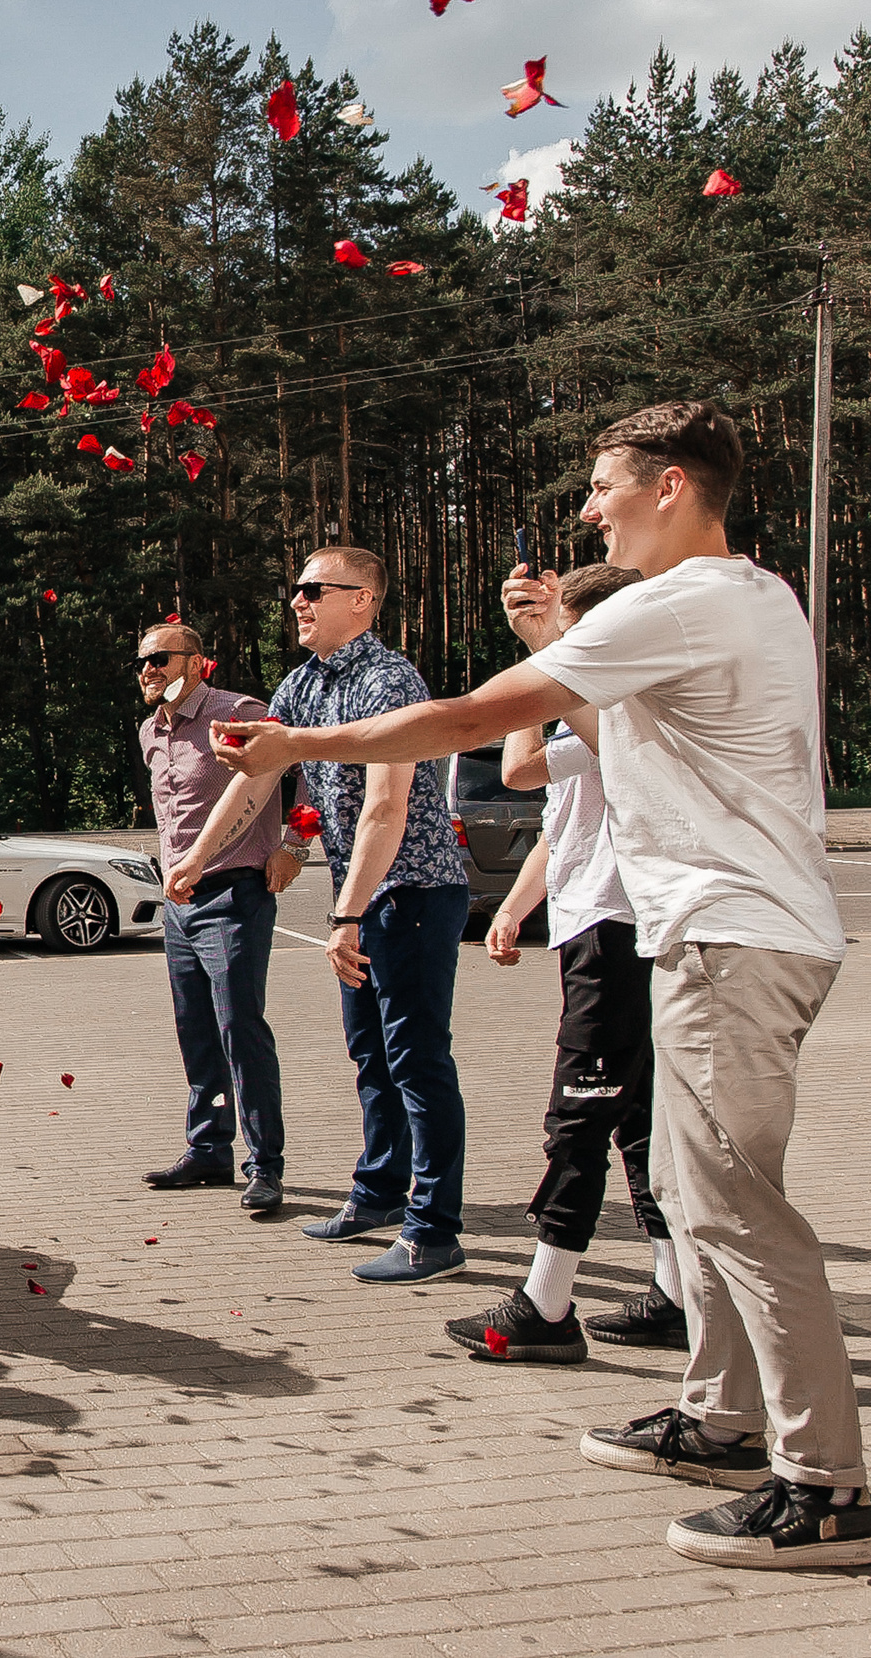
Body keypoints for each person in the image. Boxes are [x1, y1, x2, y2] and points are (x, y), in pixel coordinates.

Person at [215, 401, 865, 1570]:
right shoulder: (751, 591)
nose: (585, 505)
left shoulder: (687, 599)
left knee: (736, 1207)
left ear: (670, 484)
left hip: (732, 938)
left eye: (602, 482)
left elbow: (474, 718)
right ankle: (719, 1421)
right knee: (685, 1182)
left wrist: (296, 746)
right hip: (717, 933)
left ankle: (825, 1481)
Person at [447, 561, 681, 1365]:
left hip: (624, 926)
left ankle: (546, 1304)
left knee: (580, 1116)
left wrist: (546, 649)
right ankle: (675, 1293)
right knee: (640, 1118)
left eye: (582, 634)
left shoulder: (634, 707)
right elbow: (542, 793)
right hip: (591, 920)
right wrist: (515, 906)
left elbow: (528, 755)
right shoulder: (591, 714)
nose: (569, 650)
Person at [247, 547, 471, 1285]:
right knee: (370, 1059)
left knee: (416, 1062)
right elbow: (262, 775)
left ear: (364, 601)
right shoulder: (302, 683)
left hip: (411, 894)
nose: (298, 603)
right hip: (362, 898)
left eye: (314, 589)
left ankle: (434, 1232)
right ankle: (377, 1196)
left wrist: (345, 917)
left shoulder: (388, 680)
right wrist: (196, 859)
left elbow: (387, 807)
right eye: (294, 590)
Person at [138, 625, 298, 1213]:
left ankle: (266, 1165)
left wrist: (296, 848)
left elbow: (306, 776)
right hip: (179, 903)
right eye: (142, 661)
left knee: (240, 1029)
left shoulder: (239, 713)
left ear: (199, 662)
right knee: (197, 1032)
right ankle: (209, 1149)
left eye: (161, 658)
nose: (149, 669)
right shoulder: (150, 732)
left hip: (235, 895)